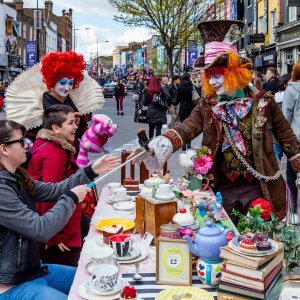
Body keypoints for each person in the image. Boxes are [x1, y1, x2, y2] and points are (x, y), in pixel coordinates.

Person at [129, 20, 300, 223]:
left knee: (258, 246)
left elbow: (289, 141)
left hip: (259, 189)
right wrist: (154, 146)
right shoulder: (207, 105)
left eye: (218, 75)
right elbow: (185, 129)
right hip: (222, 190)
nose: (212, 82)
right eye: (209, 76)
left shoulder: (264, 102)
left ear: (236, 73)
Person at [0, 119, 120, 299]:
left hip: (32, 271)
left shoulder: (16, 177)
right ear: (4, 149)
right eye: (20, 141)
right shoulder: (2, 189)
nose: (27, 144)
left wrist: (91, 170)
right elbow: (40, 229)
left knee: (97, 280)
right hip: (11, 285)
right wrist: (71, 198)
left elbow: (54, 190)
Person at [27, 105, 88, 266]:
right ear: (55, 128)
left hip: (60, 222)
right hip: (61, 231)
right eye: (70, 123)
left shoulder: (43, 143)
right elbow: (48, 195)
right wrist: (54, 237)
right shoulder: (55, 152)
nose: (76, 126)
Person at [282, 62, 300, 211]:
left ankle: (293, 211)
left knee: (292, 175)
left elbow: (285, 119)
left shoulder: (292, 89)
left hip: (296, 141)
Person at [175, 73, 195, 150]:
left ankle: (183, 144)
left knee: (183, 126)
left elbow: (177, 99)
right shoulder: (191, 86)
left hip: (183, 108)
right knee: (190, 126)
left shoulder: (180, 87)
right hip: (191, 108)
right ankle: (189, 142)